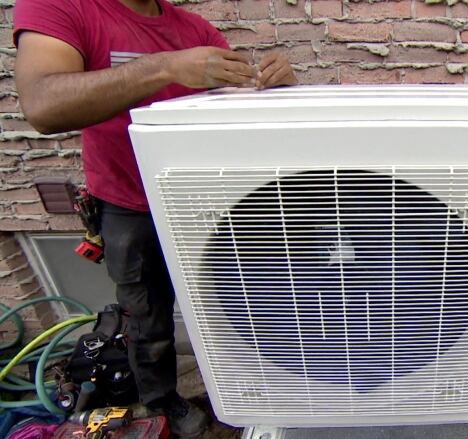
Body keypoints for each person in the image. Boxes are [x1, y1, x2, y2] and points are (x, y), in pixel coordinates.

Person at [13, 0, 297, 436]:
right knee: (148, 316)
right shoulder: (64, 7)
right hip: (130, 202)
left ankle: (262, 386)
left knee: (243, 302)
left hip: (206, 204)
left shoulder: (194, 28)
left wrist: (275, 87)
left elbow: (238, 112)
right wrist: (161, 69)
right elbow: (43, 105)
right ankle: (162, 400)